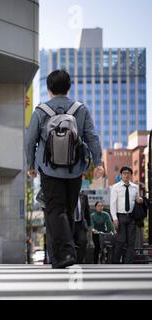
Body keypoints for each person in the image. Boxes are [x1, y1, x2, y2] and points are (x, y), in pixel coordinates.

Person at [25, 69, 103, 269]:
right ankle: (61, 258)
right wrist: (98, 162)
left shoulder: (41, 111)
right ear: (68, 87)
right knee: (66, 211)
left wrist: (31, 165)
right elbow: (91, 136)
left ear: (49, 89)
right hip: (75, 169)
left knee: (54, 211)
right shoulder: (81, 109)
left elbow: (30, 140)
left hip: (49, 170)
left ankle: (65, 253)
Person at [110, 166, 143, 264]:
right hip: (120, 216)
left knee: (131, 242)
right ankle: (115, 262)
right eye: (124, 173)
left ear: (131, 175)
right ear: (121, 175)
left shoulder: (135, 187)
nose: (126, 175)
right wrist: (115, 218)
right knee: (121, 240)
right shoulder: (115, 187)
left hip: (132, 217)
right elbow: (112, 204)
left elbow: (137, 198)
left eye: (128, 173)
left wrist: (140, 199)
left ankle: (128, 263)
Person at [73, 191, 91, 264]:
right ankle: (72, 259)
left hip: (81, 223)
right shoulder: (68, 194)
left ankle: (79, 260)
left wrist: (89, 224)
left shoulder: (83, 196)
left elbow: (87, 210)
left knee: (83, 241)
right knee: (71, 242)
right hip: (71, 223)